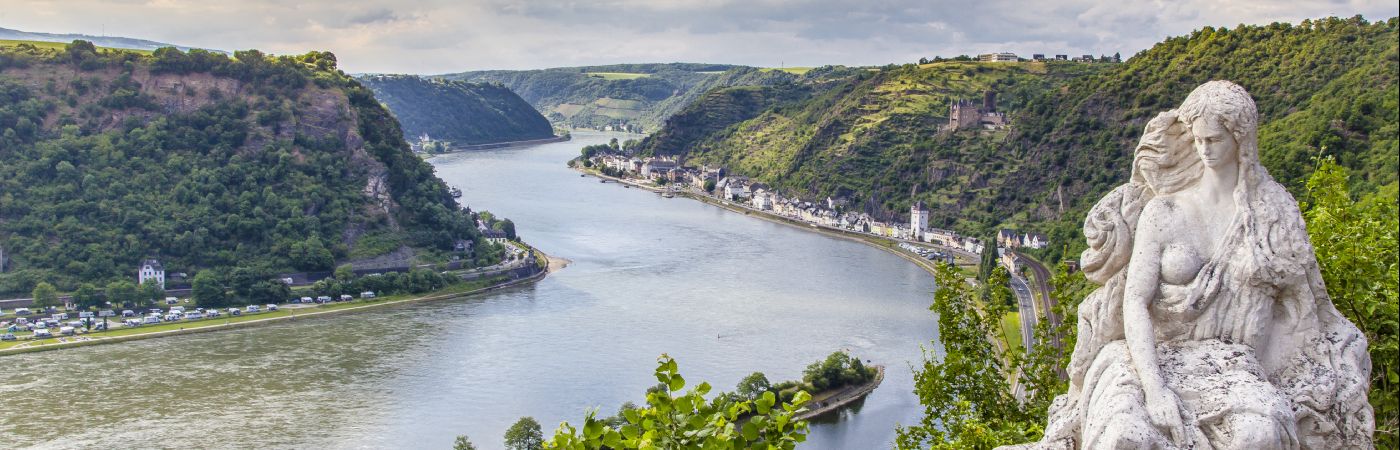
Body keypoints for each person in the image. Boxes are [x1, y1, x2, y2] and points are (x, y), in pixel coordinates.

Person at [1003, 81, 1372, 449]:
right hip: (1150, 359)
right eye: (1199, 140)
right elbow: (1135, 302)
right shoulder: (1165, 211)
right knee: (1125, 436)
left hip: (1232, 366)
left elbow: (1304, 309)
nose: (1205, 149)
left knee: (1258, 435)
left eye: (1215, 139)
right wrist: (1155, 388)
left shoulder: (1272, 214)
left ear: (1241, 140)